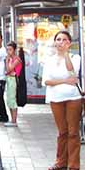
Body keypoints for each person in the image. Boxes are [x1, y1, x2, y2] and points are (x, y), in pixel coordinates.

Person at [43, 30, 82, 170]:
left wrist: (66, 54)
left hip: (73, 98)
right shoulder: (49, 60)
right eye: (58, 39)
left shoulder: (75, 57)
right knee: (62, 132)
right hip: (56, 99)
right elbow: (46, 81)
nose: (61, 42)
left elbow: (72, 71)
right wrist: (65, 80)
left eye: (64, 40)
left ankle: (73, 165)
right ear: (54, 42)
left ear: (69, 43)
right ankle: (61, 162)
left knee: (73, 132)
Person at [4, 41, 23, 127]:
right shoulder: (11, 59)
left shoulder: (17, 59)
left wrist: (7, 61)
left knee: (12, 99)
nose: (8, 52)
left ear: (14, 50)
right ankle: (12, 119)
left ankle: (14, 120)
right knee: (9, 100)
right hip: (9, 79)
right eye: (7, 50)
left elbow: (9, 70)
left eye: (10, 50)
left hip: (13, 80)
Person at [0, 32, 9, 123]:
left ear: (1, 39)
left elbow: (6, 62)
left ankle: (3, 116)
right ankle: (0, 115)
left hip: (1, 77)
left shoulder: (4, 51)